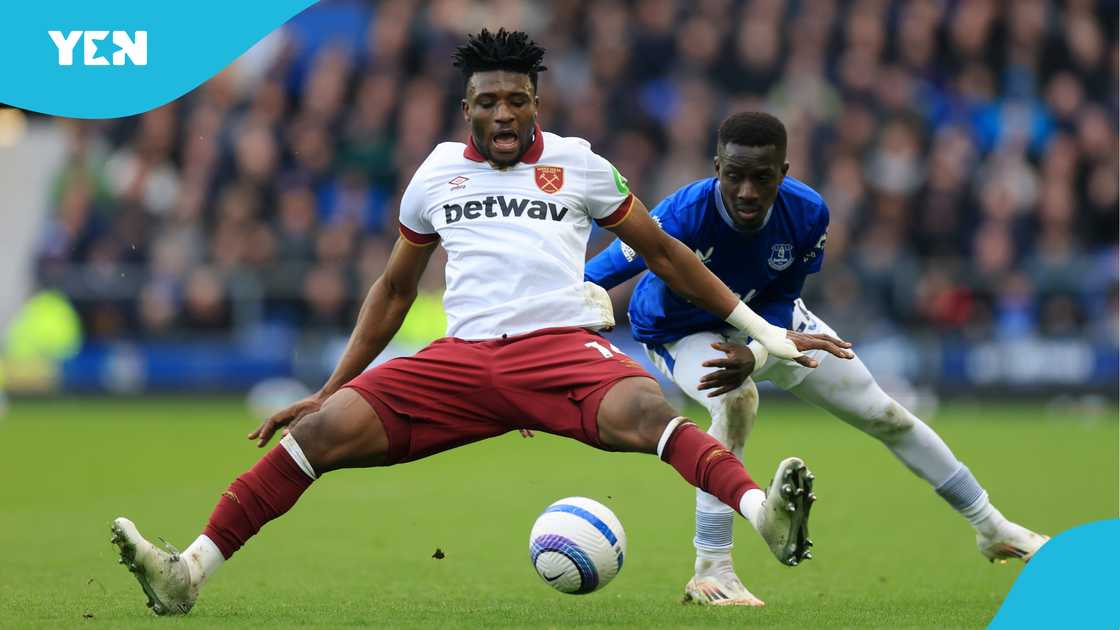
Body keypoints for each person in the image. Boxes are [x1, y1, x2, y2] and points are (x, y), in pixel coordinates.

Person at [109, 31, 853, 615]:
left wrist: (761, 330)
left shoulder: (580, 165)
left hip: (560, 352)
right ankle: (188, 575)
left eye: (518, 100)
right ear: (468, 108)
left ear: (537, 105)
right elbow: (394, 289)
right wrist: (330, 388)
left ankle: (764, 518)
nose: (504, 113)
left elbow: (665, 253)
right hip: (461, 362)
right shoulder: (436, 174)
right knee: (318, 436)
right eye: (489, 101)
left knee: (649, 411)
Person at [584, 111, 1050, 607]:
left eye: (761, 178)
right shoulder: (683, 213)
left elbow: (782, 300)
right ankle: (712, 568)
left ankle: (992, 527)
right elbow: (598, 273)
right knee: (734, 399)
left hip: (770, 324)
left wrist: (757, 351)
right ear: (716, 166)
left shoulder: (808, 214)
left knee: (886, 413)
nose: (746, 191)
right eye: (734, 175)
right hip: (679, 331)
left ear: (783, 173)